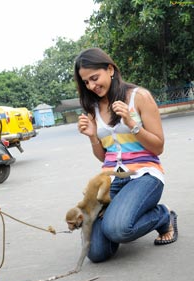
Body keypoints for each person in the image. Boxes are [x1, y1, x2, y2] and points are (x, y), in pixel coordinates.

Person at [74, 47, 178, 263]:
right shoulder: (92, 107)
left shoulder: (139, 97)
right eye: (86, 82)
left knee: (119, 229)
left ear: (110, 69)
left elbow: (158, 147)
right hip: (112, 177)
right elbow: (105, 157)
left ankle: (163, 215)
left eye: (94, 78)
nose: (92, 86)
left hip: (145, 174)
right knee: (96, 253)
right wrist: (92, 136)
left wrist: (131, 124)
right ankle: (117, 217)